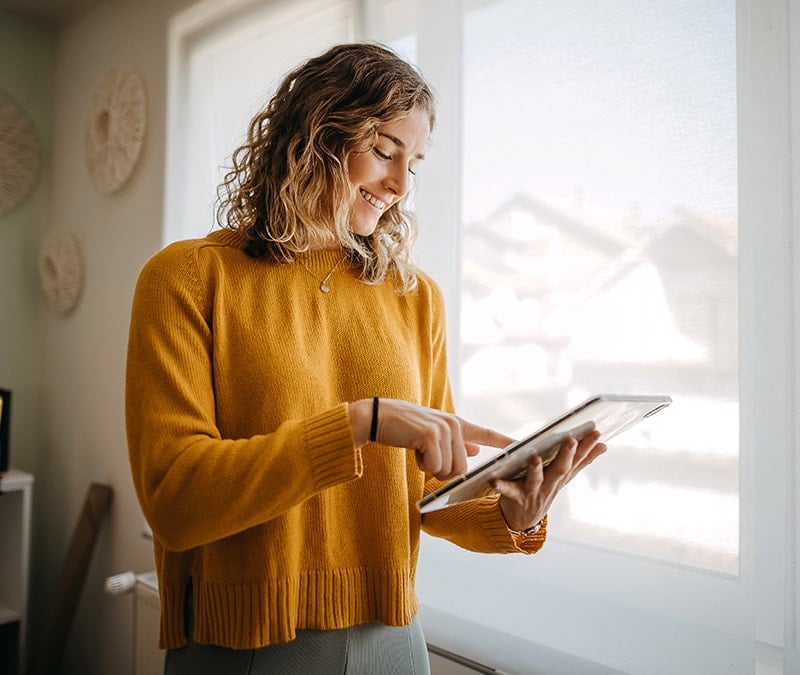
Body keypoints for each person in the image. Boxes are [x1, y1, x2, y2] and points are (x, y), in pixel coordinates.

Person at [125, 41, 606, 675]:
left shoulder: (415, 297)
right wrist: (357, 423)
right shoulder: (188, 277)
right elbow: (176, 500)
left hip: (395, 641)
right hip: (245, 644)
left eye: (416, 162)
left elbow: (429, 486)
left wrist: (510, 515)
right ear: (315, 135)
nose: (401, 185)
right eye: (383, 151)